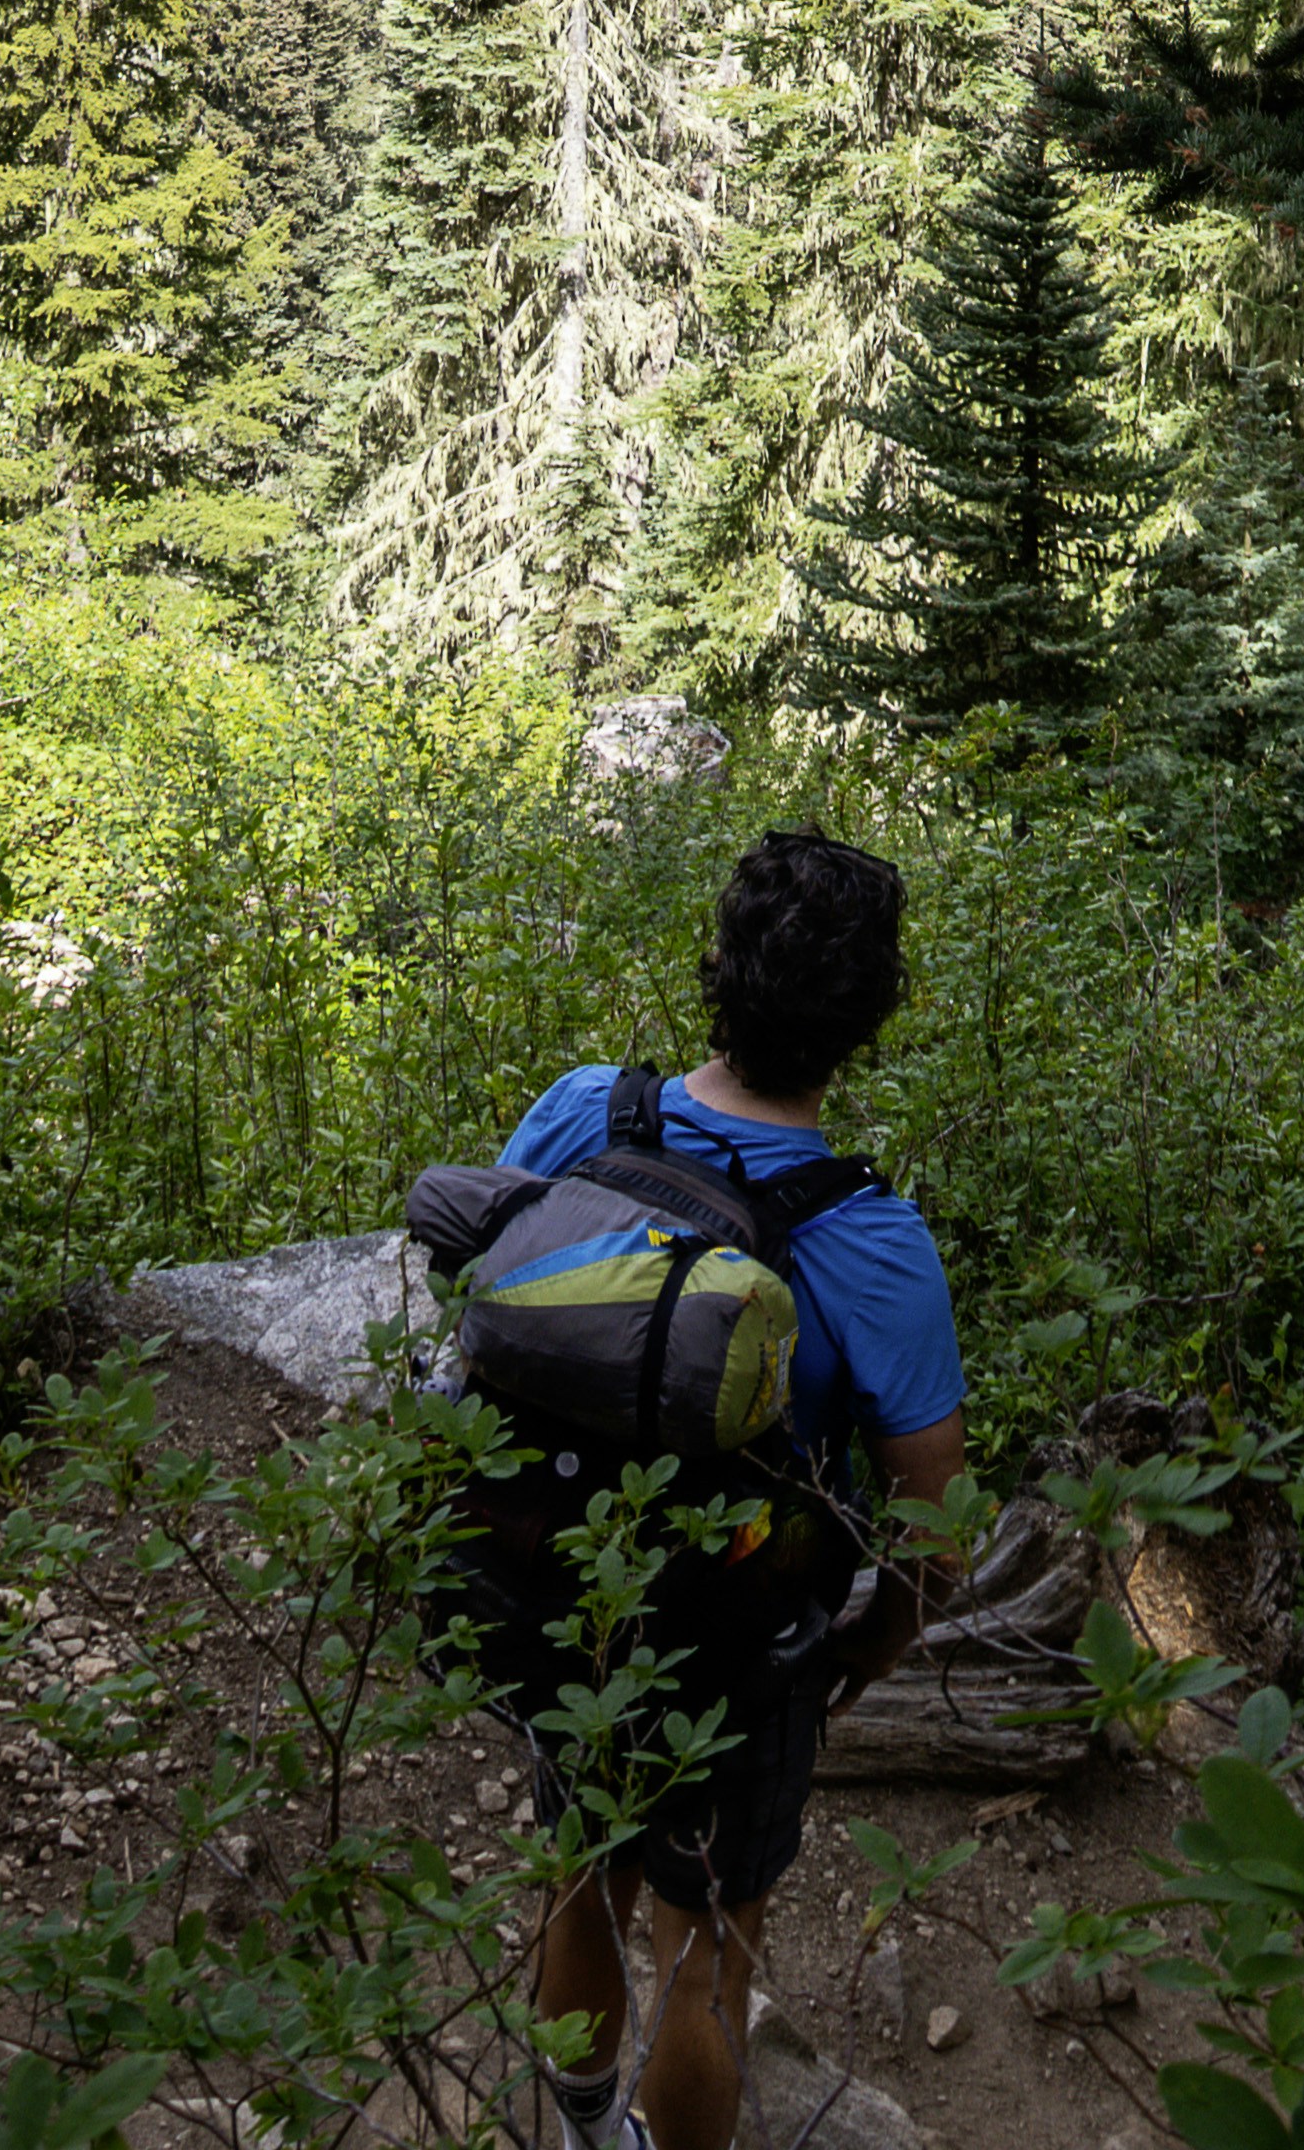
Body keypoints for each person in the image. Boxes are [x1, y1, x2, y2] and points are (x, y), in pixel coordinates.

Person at [485, 830, 966, 2150]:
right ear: (866, 1020)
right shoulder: (869, 1237)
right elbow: (933, 1516)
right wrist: (875, 1640)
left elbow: (500, 1298)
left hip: (563, 1600)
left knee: (583, 1874)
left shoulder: (586, 1111)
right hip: (738, 1656)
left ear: (720, 971)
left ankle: (580, 2128)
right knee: (712, 1950)